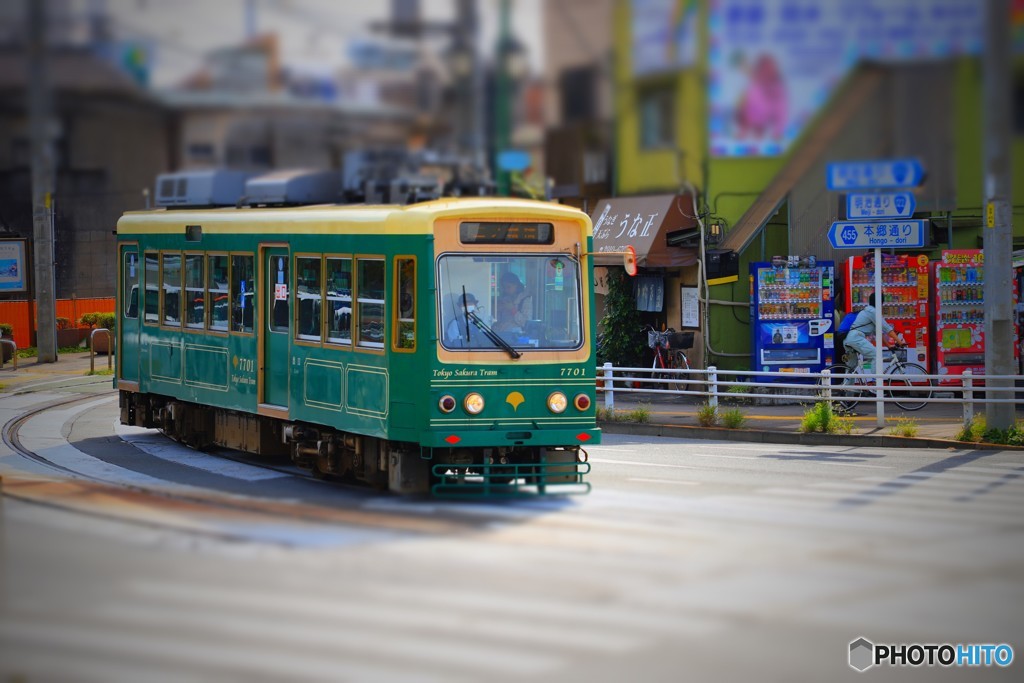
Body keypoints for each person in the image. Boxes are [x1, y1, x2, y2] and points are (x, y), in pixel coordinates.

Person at [843, 292, 898, 371]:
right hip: (856, 338)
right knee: (876, 356)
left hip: (849, 338)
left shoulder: (868, 310)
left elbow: (878, 333)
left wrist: (888, 345)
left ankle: (846, 383)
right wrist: (900, 342)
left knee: (851, 368)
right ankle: (875, 381)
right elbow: (887, 328)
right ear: (880, 302)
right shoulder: (873, 312)